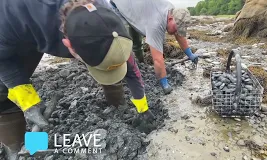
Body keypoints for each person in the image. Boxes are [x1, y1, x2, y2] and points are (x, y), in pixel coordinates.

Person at [0, 0, 157, 142]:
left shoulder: (108, 20)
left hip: (58, 28)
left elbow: (128, 64)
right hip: (16, 36)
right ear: (68, 45)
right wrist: (28, 101)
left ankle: (117, 105)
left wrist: (143, 108)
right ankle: (15, 147)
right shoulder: (11, 14)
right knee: (2, 91)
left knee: (109, 61)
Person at [103, 0, 199, 95]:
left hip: (138, 9)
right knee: (126, 45)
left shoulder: (172, 11)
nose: (176, 32)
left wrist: (190, 54)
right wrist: (164, 83)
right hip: (117, 8)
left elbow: (179, 34)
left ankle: (140, 64)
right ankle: (123, 76)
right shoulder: (155, 24)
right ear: (170, 18)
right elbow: (157, 59)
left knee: (137, 42)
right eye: (177, 28)